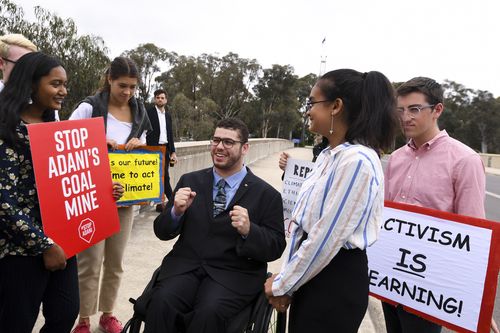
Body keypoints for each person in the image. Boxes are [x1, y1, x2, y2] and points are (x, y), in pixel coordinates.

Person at [264, 69, 399, 332]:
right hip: (314, 275)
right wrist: (290, 280)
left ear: (336, 106)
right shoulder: (329, 155)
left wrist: (283, 284)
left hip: (334, 282)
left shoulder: (357, 161)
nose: (308, 111)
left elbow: (326, 237)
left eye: (312, 102)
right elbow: (304, 227)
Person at [144, 118, 286, 333]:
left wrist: (250, 231)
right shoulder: (189, 181)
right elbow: (161, 231)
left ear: (245, 147)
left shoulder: (267, 195)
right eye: (216, 140)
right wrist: (175, 212)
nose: (219, 147)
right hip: (185, 268)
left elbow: (276, 246)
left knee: (209, 313)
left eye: (228, 142)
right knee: (161, 302)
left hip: (233, 275)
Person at [382, 77, 497, 333]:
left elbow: (473, 236)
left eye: (414, 109)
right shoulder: (397, 158)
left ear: (437, 110)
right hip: (391, 278)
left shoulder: (464, 160)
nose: (405, 117)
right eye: (400, 110)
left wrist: (476, 302)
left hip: (430, 286)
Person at [70, 56, 151, 333]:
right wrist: (94, 140)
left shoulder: (140, 112)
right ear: (109, 79)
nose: (127, 92)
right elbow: (65, 142)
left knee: (116, 261)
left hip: (124, 199)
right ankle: (83, 318)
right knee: (89, 261)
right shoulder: (87, 108)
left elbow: (147, 153)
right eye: (122, 85)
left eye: (132, 87)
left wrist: (140, 144)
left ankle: (107, 313)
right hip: (91, 196)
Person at [146, 88, 177, 211]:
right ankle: (172, 201)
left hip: (166, 149)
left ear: (166, 100)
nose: (160, 99)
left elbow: (170, 134)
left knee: (163, 176)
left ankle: (161, 204)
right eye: (158, 97)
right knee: (161, 177)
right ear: (155, 99)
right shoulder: (149, 113)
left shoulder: (168, 116)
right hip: (153, 149)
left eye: (162, 97)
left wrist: (173, 151)